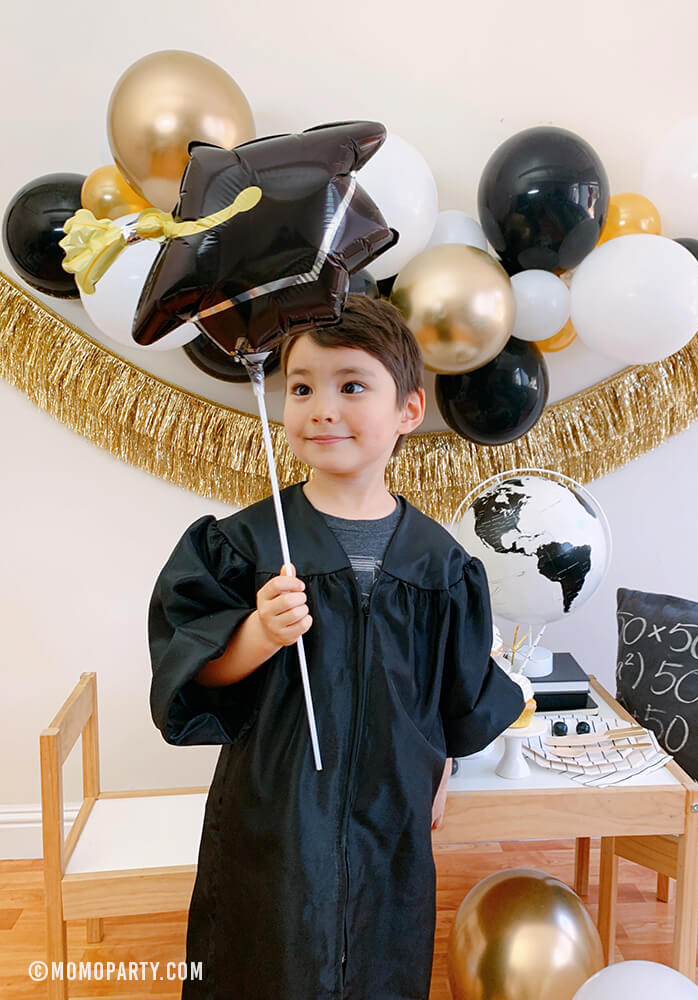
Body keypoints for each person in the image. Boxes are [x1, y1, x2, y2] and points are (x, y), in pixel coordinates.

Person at [148, 293, 527, 1000]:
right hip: (276, 803)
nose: (322, 407)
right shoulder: (246, 547)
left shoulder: (440, 567)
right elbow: (198, 674)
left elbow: (453, 694)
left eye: (352, 385)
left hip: (392, 805)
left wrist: (438, 767)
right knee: (270, 953)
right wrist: (257, 634)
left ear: (408, 411)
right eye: (301, 387)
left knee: (382, 950)